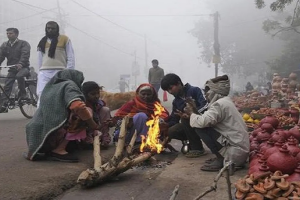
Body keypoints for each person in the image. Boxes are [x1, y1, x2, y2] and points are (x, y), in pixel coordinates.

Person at [25, 69, 100, 162]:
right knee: (83, 113)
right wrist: (93, 125)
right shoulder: (69, 85)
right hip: (52, 133)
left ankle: (55, 148)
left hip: (37, 136)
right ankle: (59, 150)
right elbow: (78, 106)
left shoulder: (51, 87)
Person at [183, 75, 249, 171]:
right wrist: (194, 109)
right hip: (239, 151)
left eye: (207, 91)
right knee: (201, 123)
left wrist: (191, 112)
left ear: (215, 91)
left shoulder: (219, 104)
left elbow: (202, 122)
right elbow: (206, 118)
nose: (205, 94)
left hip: (234, 154)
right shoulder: (225, 102)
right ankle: (221, 156)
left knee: (199, 127)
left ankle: (221, 158)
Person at [160, 73, 208, 157]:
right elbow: (174, 119)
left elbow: (206, 106)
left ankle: (198, 148)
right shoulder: (176, 102)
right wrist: (166, 124)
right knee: (171, 131)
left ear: (178, 83)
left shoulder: (195, 90)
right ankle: (190, 141)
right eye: (168, 90)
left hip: (205, 121)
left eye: (171, 88)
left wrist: (192, 114)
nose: (170, 92)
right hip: (191, 127)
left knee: (185, 119)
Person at [112, 83, 169, 147]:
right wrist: (130, 120)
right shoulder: (132, 103)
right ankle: (139, 142)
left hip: (149, 132)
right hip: (129, 132)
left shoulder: (156, 104)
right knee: (141, 116)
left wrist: (160, 119)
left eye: (148, 94)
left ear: (152, 95)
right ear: (138, 94)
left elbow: (164, 113)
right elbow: (118, 116)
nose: (146, 96)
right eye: (143, 94)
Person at [37, 21, 75, 106]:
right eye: (48, 28)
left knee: (60, 95)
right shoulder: (42, 42)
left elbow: (71, 57)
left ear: (57, 29)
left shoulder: (65, 39)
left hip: (60, 71)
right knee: (42, 95)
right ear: (46, 29)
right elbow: (39, 59)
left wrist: (69, 72)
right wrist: (39, 72)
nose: (50, 30)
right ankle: (40, 117)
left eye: (53, 28)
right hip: (44, 72)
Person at [0, 28, 31, 112]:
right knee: (7, 85)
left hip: (24, 68)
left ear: (16, 35)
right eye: (7, 33)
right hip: (12, 69)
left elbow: (25, 54)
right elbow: (1, 56)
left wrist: (21, 63)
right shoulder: (5, 45)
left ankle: (23, 94)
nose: (8, 35)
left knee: (19, 76)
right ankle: (4, 104)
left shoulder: (23, 44)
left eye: (11, 33)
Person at [82, 81, 112, 149]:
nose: (96, 96)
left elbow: (108, 120)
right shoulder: (82, 105)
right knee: (88, 111)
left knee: (105, 110)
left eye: (98, 93)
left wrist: (110, 122)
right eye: (93, 94)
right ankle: (88, 141)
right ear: (85, 95)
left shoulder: (100, 103)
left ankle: (104, 138)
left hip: (99, 128)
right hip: (87, 130)